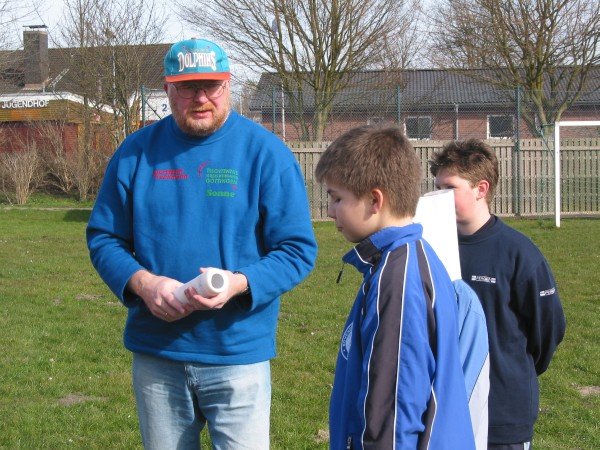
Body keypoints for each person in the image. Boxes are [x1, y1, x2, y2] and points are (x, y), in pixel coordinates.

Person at [86, 38, 317, 449]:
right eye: (188, 87)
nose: (201, 98)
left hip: (238, 353)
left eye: (211, 86)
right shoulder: (136, 153)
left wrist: (238, 283)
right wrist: (144, 284)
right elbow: (105, 237)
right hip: (158, 354)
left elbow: (297, 249)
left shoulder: (265, 154)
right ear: (167, 89)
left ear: (228, 84)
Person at [315, 125, 476, 450]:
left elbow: (394, 413)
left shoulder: (399, 279)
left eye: (337, 198)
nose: (330, 210)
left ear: (375, 200)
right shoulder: (405, 260)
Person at [430, 139, 566, 449]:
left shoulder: (520, 254)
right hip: (445, 409)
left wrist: (509, 368)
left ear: (481, 189)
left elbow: (547, 331)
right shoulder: (431, 248)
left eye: (449, 188)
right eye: (436, 187)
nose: (439, 196)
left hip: (502, 415)